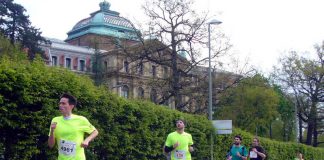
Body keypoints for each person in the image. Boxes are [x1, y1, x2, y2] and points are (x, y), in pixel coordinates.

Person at [48, 93, 99, 160]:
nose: (60, 105)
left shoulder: (81, 120)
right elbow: (51, 145)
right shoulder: (55, 120)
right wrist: (52, 131)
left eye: (63, 103)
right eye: (60, 103)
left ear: (71, 106)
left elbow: (95, 132)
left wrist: (87, 140)